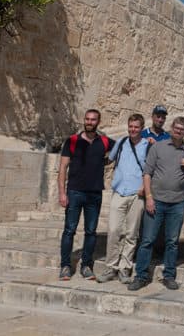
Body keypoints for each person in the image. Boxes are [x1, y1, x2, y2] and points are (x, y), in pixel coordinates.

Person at [129, 117, 184, 291]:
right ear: (171, 129)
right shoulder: (158, 147)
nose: (179, 131)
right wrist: (149, 197)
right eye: (176, 128)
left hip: (178, 202)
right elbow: (147, 173)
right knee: (147, 240)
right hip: (156, 200)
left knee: (172, 241)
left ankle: (169, 276)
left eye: (182, 129)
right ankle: (141, 276)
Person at [58, 109, 112, 281]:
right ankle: (65, 266)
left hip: (94, 193)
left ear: (98, 121)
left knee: (91, 231)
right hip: (74, 192)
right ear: (84, 120)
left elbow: (121, 149)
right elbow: (62, 169)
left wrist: (107, 161)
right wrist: (62, 192)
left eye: (93, 119)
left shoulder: (104, 141)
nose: (89, 122)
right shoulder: (72, 141)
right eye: (87, 119)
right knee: (69, 230)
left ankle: (86, 266)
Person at [98, 113, 148, 284]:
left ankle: (124, 267)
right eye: (131, 126)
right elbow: (108, 160)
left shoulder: (147, 146)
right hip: (119, 191)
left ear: (142, 128)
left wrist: (145, 188)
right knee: (113, 230)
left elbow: (151, 170)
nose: (133, 129)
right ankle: (111, 266)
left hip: (137, 194)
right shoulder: (120, 143)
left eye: (136, 127)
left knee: (132, 233)